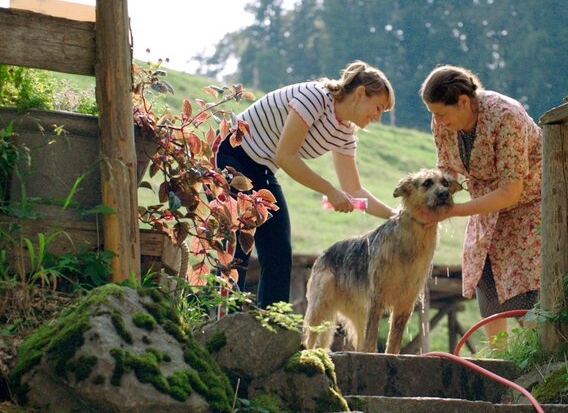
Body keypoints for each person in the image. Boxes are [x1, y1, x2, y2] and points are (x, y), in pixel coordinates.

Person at [213, 60, 396, 308]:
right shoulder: (315, 97)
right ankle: (220, 318)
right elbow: (285, 156)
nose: (377, 117)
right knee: (239, 243)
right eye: (378, 107)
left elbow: (354, 190)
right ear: (360, 93)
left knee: (278, 251)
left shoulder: (345, 134)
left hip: (261, 169)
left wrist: (394, 216)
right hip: (231, 154)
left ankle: (272, 327)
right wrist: (330, 191)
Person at [419, 64, 543, 348]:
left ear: (464, 101)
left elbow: (511, 191)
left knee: (528, 287)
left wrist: (456, 211)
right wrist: (430, 202)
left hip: (527, 207)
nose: (437, 120)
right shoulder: (443, 123)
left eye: (441, 113)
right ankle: (501, 360)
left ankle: (539, 355)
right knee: (487, 280)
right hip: (485, 207)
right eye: (433, 114)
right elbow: (448, 171)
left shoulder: (505, 116)